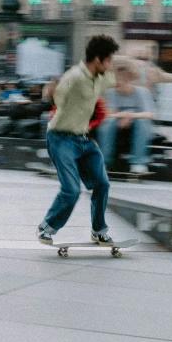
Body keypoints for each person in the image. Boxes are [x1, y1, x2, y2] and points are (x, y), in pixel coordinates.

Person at [37, 34, 118, 246]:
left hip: (83, 140)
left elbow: (118, 80)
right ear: (97, 60)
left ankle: (98, 230)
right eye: (108, 60)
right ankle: (47, 226)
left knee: (102, 183)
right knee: (72, 190)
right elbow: (58, 97)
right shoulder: (74, 77)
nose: (109, 65)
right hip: (61, 139)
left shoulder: (101, 76)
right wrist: (51, 92)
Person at [96, 70, 156, 173]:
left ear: (128, 82)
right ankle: (104, 162)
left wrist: (131, 115)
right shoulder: (112, 92)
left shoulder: (142, 92)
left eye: (120, 84)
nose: (117, 87)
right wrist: (124, 115)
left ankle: (138, 163)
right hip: (119, 123)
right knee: (107, 122)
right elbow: (109, 114)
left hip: (137, 123)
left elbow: (150, 115)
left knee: (143, 122)